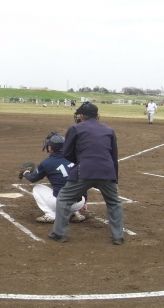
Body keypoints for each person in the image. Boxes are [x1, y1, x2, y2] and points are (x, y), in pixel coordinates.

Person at [49, 102, 125, 245]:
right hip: (107, 170)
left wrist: (81, 161)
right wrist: (114, 177)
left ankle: (59, 234)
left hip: (84, 170)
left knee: (64, 198)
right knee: (114, 202)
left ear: (82, 116)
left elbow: (67, 153)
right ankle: (118, 236)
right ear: (97, 115)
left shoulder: (75, 128)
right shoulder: (109, 130)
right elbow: (113, 156)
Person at [21, 132, 87, 224]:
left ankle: (50, 215)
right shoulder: (75, 159)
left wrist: (26, 173)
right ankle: (75, 213)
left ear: (50, 148)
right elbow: (84, 181)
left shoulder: (47, 163)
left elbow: (33, 178)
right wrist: (84, 201)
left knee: (37, 188)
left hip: (61, 203)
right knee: (77, 182)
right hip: (79, 202)